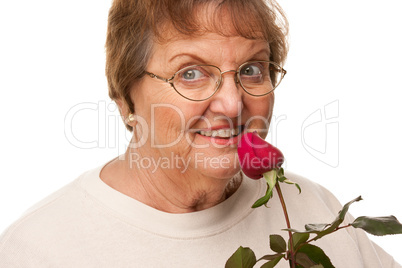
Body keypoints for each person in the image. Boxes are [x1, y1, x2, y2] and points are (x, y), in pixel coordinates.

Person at [0, 0, 400, 267]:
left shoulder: (316, 208)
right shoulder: (37, 251)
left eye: (251, 69)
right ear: (125, 96)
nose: (232, 104)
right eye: (190, 73)